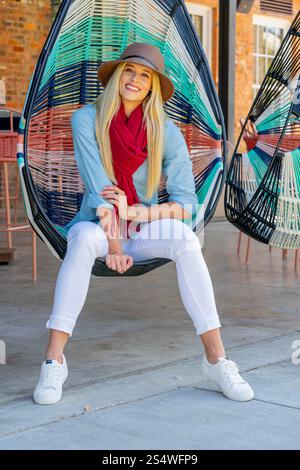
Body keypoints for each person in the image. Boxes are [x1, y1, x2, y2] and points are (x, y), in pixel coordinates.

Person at [33, 43, 254, 405]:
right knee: (85, 240)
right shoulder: (86, 119)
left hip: (140, 226)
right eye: (129, 71)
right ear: (118, 75)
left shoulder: (165, 132)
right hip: (97, 226)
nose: (135, 80)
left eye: (145, 75)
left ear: (153, 86)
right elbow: (100, 187)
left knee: (185, 238)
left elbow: (186, 205)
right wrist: (115, 245)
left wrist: (139, 214)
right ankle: (53, 359)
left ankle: (216, 358)